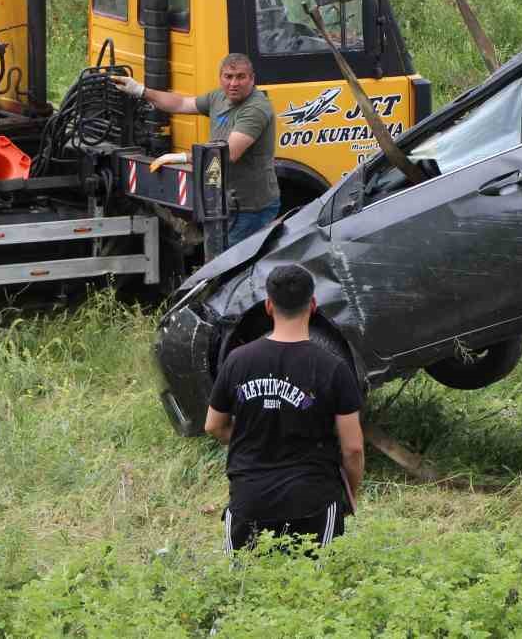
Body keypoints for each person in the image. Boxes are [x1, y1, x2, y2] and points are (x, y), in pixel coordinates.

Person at [205, 263, 365, 552]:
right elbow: (352, 448)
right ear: (313, 304)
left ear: (268, 306)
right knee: (316, 591)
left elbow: (213, 425)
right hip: (313, 501)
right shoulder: (333, 368)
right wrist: (349, 495)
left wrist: (253, 439)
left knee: (244, 590)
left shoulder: (237, 361)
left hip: (249, 499)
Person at [113, 53, 282, 246]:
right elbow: (180, 103)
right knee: (220, 262)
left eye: (241, 77)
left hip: (250, 207)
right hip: (224, 201)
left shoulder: (256, 109)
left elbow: (227, 154)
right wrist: (140, 90)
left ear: (252, 79)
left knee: (232, 267)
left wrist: (180, 158)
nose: (234, 83)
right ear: (220, 78)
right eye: (228, 77)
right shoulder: (218, 97)